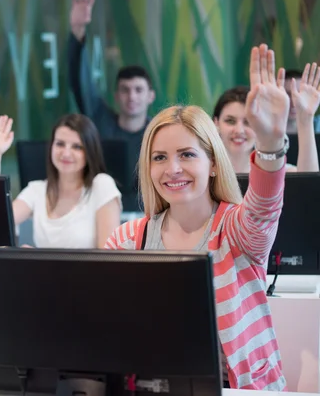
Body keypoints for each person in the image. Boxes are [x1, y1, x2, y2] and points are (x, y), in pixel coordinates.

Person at [104, 44, 288, 390]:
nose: (172, 169)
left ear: (213, 162)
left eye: (187, 154)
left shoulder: (236, 229)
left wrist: (271, 144)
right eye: (159, 157)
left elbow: (264, 208)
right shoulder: (127, 240)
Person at [68, 0, 155, 208]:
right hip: (99, 211)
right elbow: (81, 82)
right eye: (125, 90)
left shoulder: (157, 135)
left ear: (150, 96)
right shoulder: (100, 121)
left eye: (138, 90)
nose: (131, 96)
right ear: (116, 96)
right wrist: (77, 30)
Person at [0, 113, 122, 249]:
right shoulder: (36, 190)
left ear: (90, 151)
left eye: (77, 147)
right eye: (60, 144)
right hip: (40, 271)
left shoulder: (102, 185)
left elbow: (107, 261)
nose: (66, 153)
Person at [213, 62, 320, 173]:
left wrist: (305, 120)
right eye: (230, 121)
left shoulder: (279, 172)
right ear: (216, 123)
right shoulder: (204, 170)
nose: (239, 130)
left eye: (248, 122)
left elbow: (308, 183)